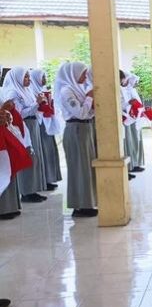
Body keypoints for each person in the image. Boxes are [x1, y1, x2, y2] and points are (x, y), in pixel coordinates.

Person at [54, 62, 98, 218]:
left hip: (85, 129)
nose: (85, 76)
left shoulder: (78, 88)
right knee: (79, 168)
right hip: (76, 130)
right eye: (83, 73)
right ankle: (79, 206)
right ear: (73, 74)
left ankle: (87, 203)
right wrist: (89, 99)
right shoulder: (66, 91)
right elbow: (79, 113)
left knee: (86, 167)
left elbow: (88, 112)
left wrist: (91, 105)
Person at [1, 67, 47, 203]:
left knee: (34, 156)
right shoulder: (12, 92)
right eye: (26, 76)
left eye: (28, 76)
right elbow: (20, 113)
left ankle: (33, 188)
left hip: (31, 124)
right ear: (18, 78)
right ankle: (27, 191)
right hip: (21, 125)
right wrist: (36, 105)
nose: (29, 79)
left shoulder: (27, 90)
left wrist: (39, 105)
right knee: (26, 154)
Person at [28, 69, 62, 191]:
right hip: (40, 125)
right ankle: (44, 180)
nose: (45, 80)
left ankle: (50, 178)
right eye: (42, 77)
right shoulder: (31, 92)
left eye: (45, 77)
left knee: (49, 151)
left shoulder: (43, 91)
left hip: (47, 125)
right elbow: (34, 108)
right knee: (43, 152)